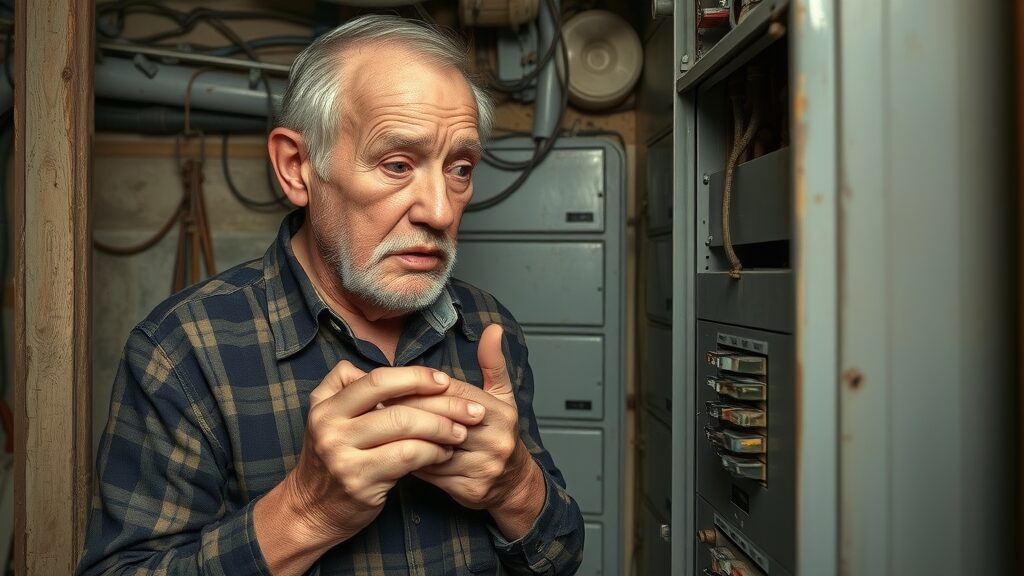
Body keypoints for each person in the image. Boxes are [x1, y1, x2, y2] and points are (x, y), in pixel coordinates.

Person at [76, 14, 584, 576]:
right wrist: (307, 512)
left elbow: (560, 558)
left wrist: (514, 486)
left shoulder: (488, 328)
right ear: (298, 168)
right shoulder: (182, 353)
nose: (440, 211)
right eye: (397, 164)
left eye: (459, 168)